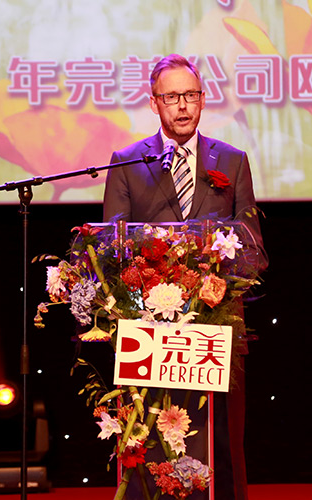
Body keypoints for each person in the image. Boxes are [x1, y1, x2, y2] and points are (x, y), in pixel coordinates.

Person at [103, 54, 267, 500]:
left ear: (203, 99)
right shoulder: (126, 162)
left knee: (221, 446)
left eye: (190, 95)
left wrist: (221, 278)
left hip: (215, 326)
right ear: (154, 102)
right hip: (149, 332)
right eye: (172, 96)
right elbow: (112, 248)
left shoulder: (231, 161)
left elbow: (253, 247)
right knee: (150, 444)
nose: (182, 105)